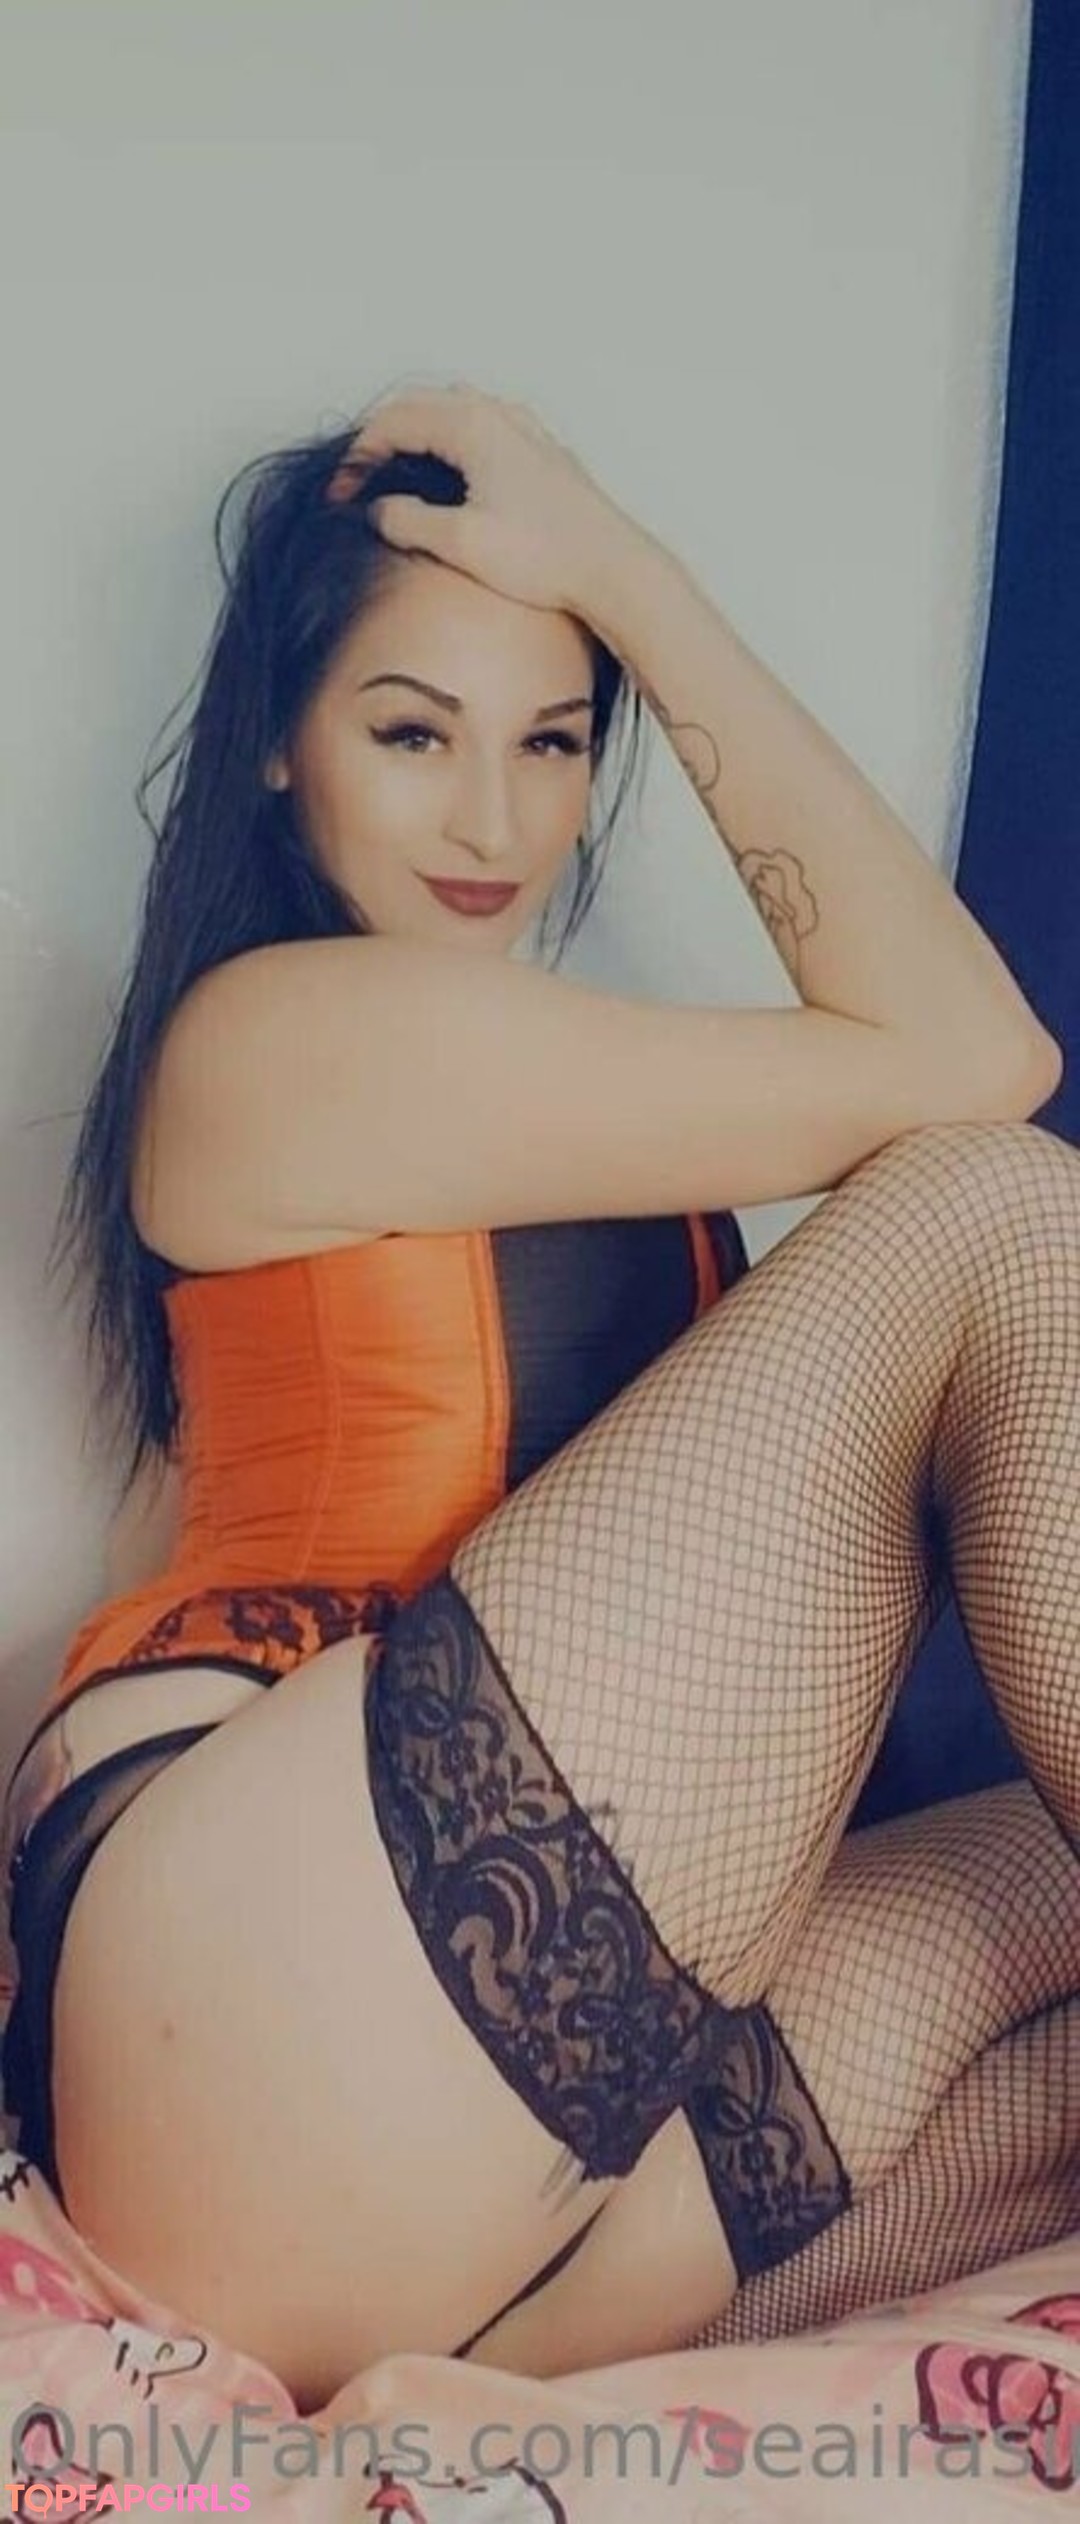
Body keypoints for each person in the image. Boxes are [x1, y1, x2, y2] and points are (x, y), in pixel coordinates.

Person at [1, 382, 1076, 2418]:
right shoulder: (266, 1036)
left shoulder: (561, 1086)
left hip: (472, 2163)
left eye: (557, 739)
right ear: (278, 745)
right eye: (413, 734)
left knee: (1058, 1890)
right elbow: (982, 1063)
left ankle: (483, 2356)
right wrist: (626, 578)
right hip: (260, 1980)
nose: (494, 824)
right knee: (989, 1208)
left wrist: (611, 580)